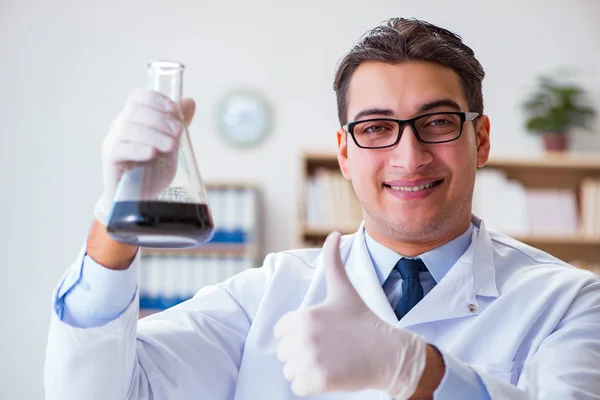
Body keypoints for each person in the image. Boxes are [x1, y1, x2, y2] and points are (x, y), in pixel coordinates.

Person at [44, 17, 600, 400]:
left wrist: (419, 372)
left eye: (436, 122)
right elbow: (97, 391)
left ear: (479, 139)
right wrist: (116, 216)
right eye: (376, 128)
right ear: (344, 154)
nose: (409, 156)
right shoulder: (266, 296)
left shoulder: (568, 302)